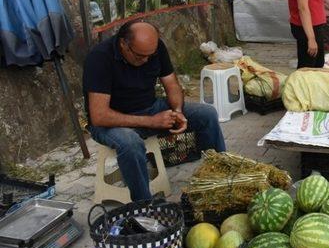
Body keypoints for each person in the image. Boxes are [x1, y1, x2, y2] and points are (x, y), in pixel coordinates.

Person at [84, 20, 226, 202]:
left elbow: (172, 84)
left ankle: (218, 180)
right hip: (112, 122)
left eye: (150, 56)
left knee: (207, 114)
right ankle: (145, 207)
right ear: (123, 45)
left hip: (151, 108)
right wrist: (151, 121)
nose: (146, 60)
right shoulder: (99, 58)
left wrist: (177, 111)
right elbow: (99, 116)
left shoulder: (154, 48)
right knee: (130, 143)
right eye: (140, 56)